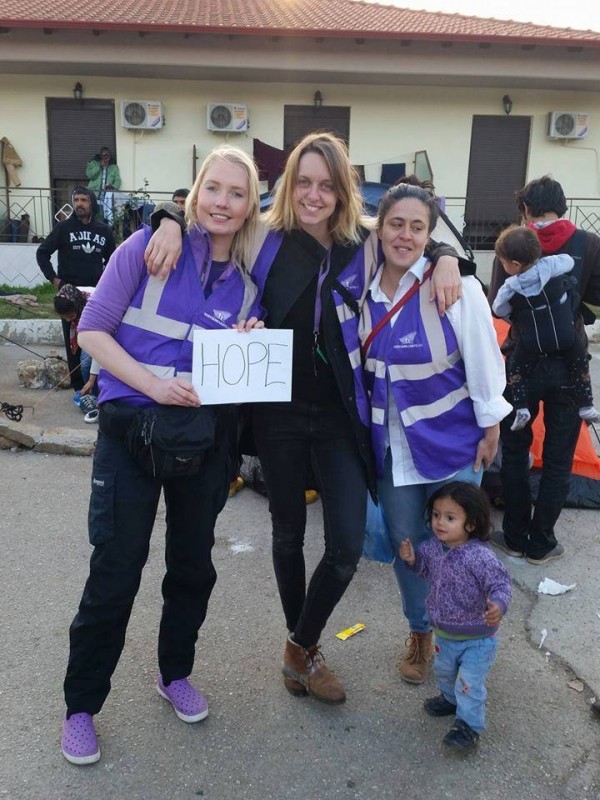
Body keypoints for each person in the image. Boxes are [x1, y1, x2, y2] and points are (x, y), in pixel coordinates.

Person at [144, 133, 469, 704]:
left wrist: (445, 257)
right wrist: (167, 219)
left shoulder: (363, 243)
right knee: (288, 534)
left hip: (342, 413)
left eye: (326, 185)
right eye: (304, 182)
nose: (314, 195)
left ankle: (296, 647)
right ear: (289, 183)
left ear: (343, 191)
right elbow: (207, 223)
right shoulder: (260, 236)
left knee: (345, 546)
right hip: (277, 413)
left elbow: (411, 236)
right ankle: (309, 654)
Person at [60, 145, 263, 765]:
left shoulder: (247, 286)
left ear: (250, 205)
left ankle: (174, 673)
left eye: (237, 193)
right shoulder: (146, 248)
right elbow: (91, 331)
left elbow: (231, 377)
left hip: (201, 441)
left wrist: (245, 347)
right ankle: (80, 708)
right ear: (196, 192)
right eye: (213, 189)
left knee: (193, 568)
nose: (222, 203)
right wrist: (152, 386)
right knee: (116, 572)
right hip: (130, 432)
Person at [333, 182, 511, 686]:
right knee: (409, 547)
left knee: (459, 547)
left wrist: (491, 425)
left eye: (417, 227)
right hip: (391, 452)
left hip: (453, 445)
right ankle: (420, 632)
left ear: (429, 234)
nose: (405, 236)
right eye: (396, 224)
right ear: (379, 228)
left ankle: (466, 641)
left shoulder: (455, 286)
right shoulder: (360, 291)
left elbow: (484, 357)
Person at [488, 176, 600, 565]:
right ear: (562, 206)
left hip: (523, 362)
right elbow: (596, 298)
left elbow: (497, 302)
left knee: (515, 449)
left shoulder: (509, 244)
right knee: (558, 455)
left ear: (525, 209)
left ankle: (515, 536)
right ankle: (542, 543)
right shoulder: (588, 244)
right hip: (570, 362)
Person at [399, 481, 511, 755]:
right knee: (445, 672)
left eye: (450, 518)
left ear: (471, 524)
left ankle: (468, 727)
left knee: (469, 684)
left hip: (478, 638)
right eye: (436, 515)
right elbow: (426, 570)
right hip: (445, 634)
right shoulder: (433, 548)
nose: (440, 522)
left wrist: (498, 605)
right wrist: (413, 560)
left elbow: (500, 583)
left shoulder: (480, 556)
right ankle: (450, 700)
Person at [492, 225, 600, 431]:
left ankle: (521, 408)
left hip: (531, 342)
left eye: (503, 262)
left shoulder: (511, 285)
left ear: (515, 264)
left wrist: (510, 312)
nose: (503, 266)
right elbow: (569, 262)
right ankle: (586, 404)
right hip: (566, 336)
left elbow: (498, 308)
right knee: (579, 363)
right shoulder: (551, 265)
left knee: (516, 369)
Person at [36, 186, 115, 389]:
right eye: (76, 200)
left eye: (83, 200)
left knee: (96, 339)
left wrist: (106, 281)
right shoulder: (63, 228)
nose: (79, 204)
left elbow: (113, 260)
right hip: (69, 295)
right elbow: (42, 252)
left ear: (92, 203)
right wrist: (54, 280)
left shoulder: (103, 230)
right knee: (73, 343)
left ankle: (95, 385)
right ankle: (79, 387)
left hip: (95, 295)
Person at [53, 285, 99, 422]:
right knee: (84, 360)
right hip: (87, 322)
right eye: (64, 317)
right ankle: (89, 393)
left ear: (77, 306)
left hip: (105, 325)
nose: (68, 320)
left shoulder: (93, 307)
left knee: (87, 361)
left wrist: (91, 380)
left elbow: (98, 349)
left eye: (70, 316)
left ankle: (94, 394)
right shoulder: (66, 298)